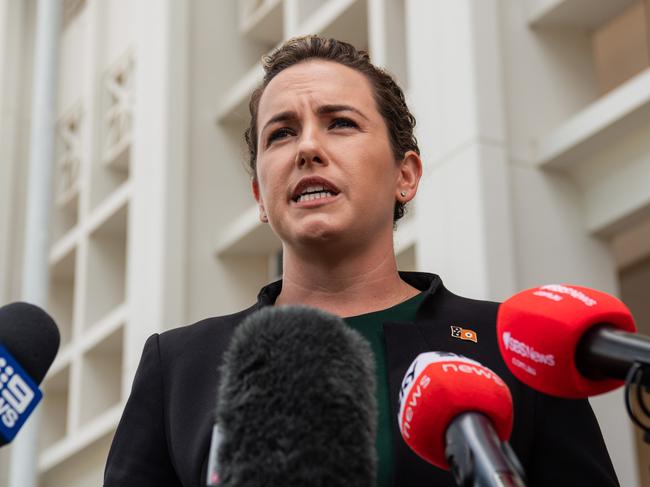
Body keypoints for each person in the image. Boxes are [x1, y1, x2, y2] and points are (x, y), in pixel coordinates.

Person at [104, 36, 619, 486]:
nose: (307, 147)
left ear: (406, 175)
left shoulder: (516, 349)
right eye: (281, 133)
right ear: (260, 195)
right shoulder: (179, 366)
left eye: (340, 123)